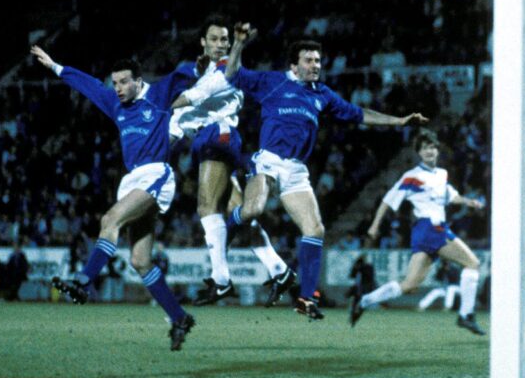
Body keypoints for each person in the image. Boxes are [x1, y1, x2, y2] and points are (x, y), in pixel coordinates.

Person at [174, 26, 428, 320]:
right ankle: (222, 245)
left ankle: (306, 299)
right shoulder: (273, 82)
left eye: (318, 61)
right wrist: (240, 43)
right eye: (309, 60)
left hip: (296, 170)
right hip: (268, 161)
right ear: (294, 65)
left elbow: (360, 114)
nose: (316, 65)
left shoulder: (323, 94)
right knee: (253, 209)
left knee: (315, 229)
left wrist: (400, 121)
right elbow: (233, 73)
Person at [31, 45, 198, 351]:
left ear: (138, 80)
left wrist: (205, 62)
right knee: (140, 261)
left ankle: (85, 278)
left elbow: (183, 74)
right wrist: (56, 66)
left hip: (156, 175)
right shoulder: (115, 103)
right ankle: (179, 317)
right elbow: (89, 86)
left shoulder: (158, 97)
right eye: (116, 82)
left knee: (110, 219)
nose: (118, 88)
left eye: (124, 82)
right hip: (134, 179)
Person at [169, 17, 291, 307]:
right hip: (211, 136)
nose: (220, 44)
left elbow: (199, 95)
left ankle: (221, 280)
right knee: (237, 211)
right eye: (214, 39)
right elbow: (181, 120)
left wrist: (154, 104)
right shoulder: (201, 69)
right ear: (202, 42)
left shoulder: (227, 68)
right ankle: (279, 270)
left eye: (224, 39)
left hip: (218, 135)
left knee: (206, 207)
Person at [350, 129, 487, 335]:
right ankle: (465, 315)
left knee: (409, 284)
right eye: (424, 148)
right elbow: (388, 199)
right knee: (473, 263)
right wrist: (374, 225)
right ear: (419, 153)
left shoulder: (441, 174)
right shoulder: (412, 176)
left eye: (432, 147)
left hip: (429, 231)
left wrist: (469, 202)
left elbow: (450, 195)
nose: (429, 151)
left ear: (437, 150)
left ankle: (364, 300)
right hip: (431, 228)